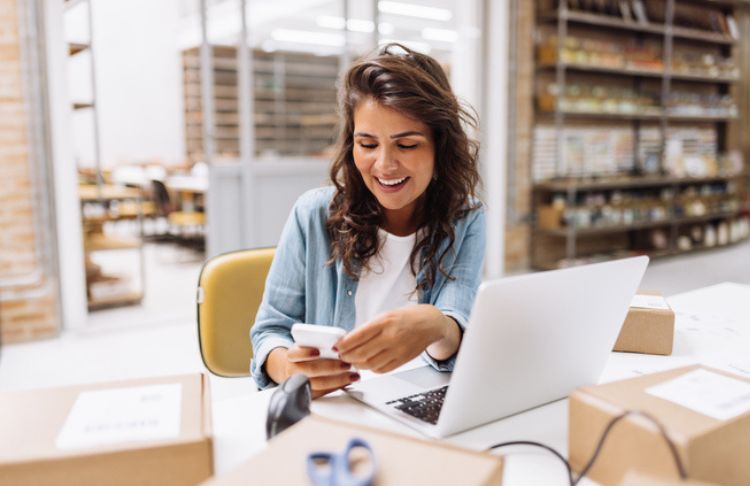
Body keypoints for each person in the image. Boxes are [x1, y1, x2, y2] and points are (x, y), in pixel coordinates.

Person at [250, 43, 486, 397]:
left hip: (419, 400)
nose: (385, 165)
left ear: (441, 147)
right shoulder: (313, 215)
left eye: (406, 145)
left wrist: (438, 325)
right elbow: (270, 330)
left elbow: (455, 325)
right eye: (368, 144)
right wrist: (289, 368)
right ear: (351, 145)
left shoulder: (465, 218)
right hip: (335, 404)